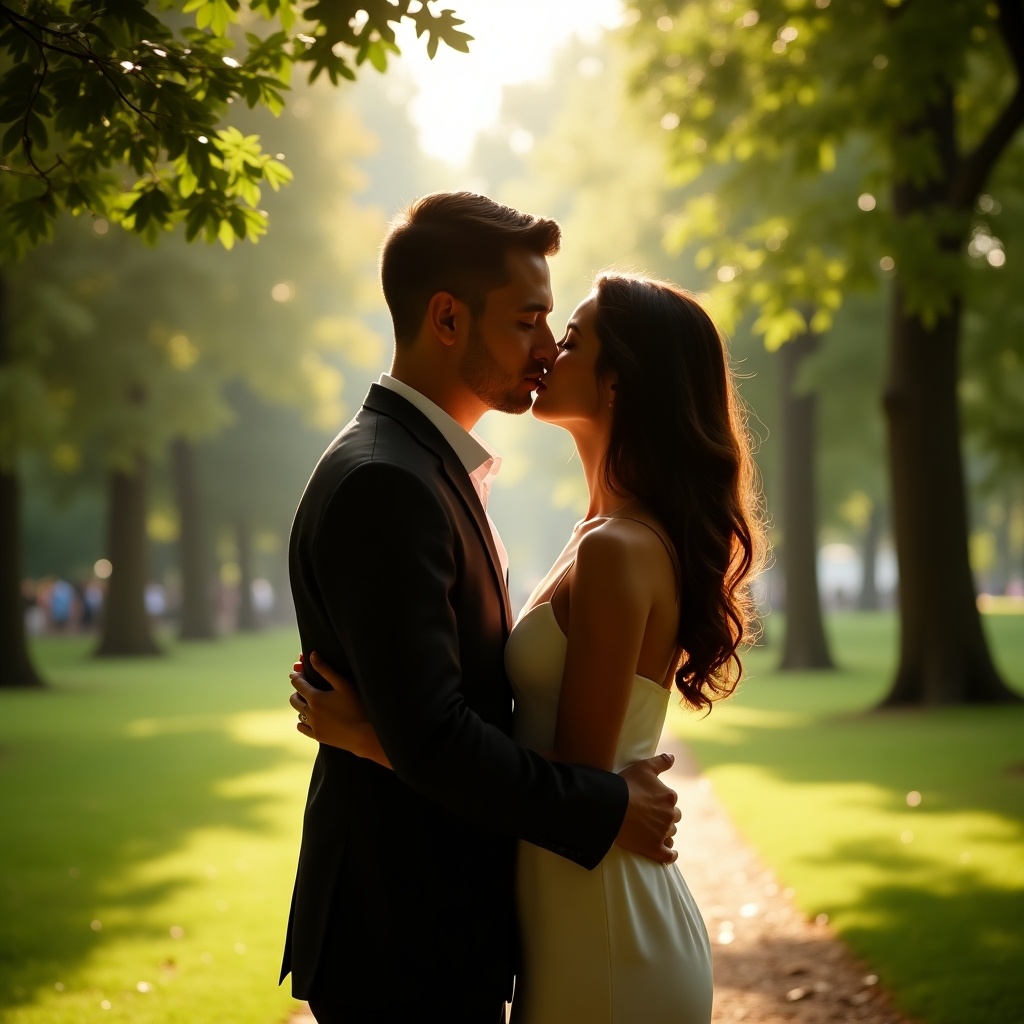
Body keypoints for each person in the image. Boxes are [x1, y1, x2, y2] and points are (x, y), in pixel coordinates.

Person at [293, 271, 766, 1023]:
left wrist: (375, 737)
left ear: (619, 383)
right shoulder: (594, 534)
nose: (546, 350)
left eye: (572, 339)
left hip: (606, 919)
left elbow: (577, 782)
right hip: (565, 908)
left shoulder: (619, 549)